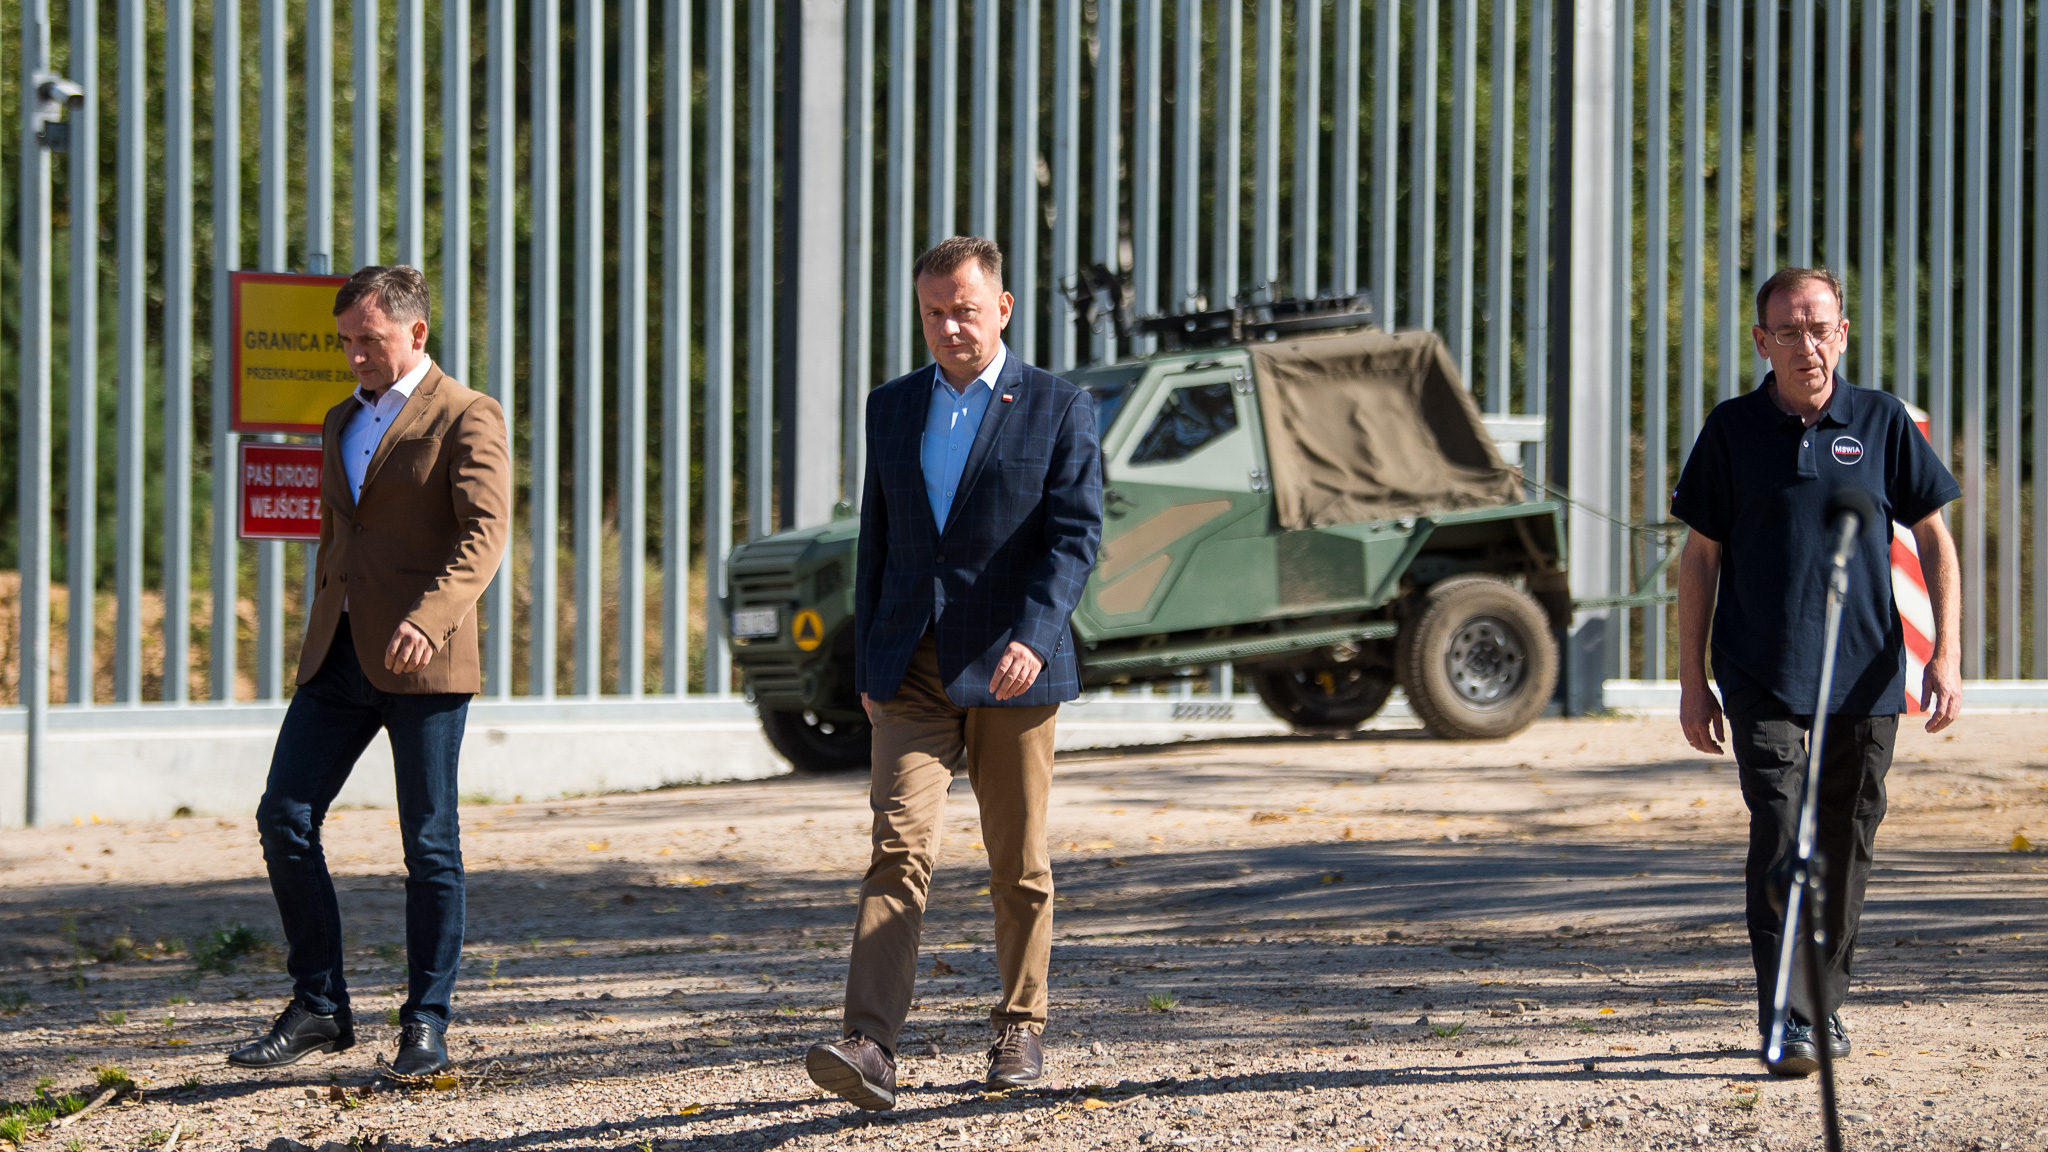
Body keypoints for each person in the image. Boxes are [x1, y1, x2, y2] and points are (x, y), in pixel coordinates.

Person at [803, 237, 1103, 1111]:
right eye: (933, 312)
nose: (948, 327)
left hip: (1013, 665)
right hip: (911, 667)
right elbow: (879, 538)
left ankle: (1020, 1026)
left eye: (964, 310)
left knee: (1018, 859)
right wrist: (871, 659)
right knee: (898, 847)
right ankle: (869, 1045)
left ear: (1002, 308)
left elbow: (1075, 538)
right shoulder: (892, 405)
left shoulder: (1059, 405)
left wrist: (1036, 636)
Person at [1671, 266, 1961, 1078]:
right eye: (1790, 331)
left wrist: (1945, 653)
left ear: (1843, 334)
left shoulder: (1882, 421)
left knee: (1844, 842)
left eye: (1821, 328)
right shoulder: (1731, 430)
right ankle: (1788, 1016)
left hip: (1866, 676)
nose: (1808, 345)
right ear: (1762, 342)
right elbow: (1700, 559)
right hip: (1761, 671)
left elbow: (1934, 538)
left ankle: (1822, 1004)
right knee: (1779, 833)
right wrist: (1692, 681)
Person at [229, 265, 513, 1078]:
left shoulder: (467, 413)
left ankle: (425, 1023)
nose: (355, 355)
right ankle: (319, 1005)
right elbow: (340, 537)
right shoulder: (339, 419)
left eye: (370, 339)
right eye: (346, 341)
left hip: (425, 660)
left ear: (415, 332)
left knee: (428, 845)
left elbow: (485, 533)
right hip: (339, 656)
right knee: (283, 817)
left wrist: (430, 617)